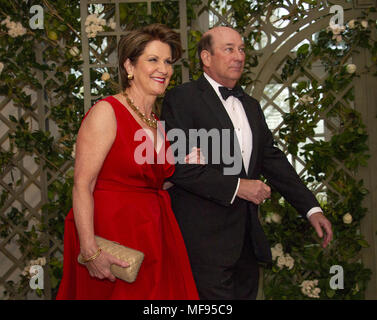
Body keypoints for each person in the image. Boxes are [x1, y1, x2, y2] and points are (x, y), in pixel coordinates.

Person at [160, 26, 333, 300]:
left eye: (241, 49)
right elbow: (179, 167)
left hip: (247, 244)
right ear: (206, 57)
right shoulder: (182, 98)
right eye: (229, 49)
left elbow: (273, 161)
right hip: (204, 244)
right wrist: (239, 186)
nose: (239, 56)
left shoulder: (251, 105)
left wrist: (311, 209)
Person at [56, 24, 199, 300]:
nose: (164, 69)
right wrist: (90, 252)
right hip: (113, 237)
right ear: (129, 66)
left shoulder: (157, 123)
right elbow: (82, 184)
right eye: (153, 60)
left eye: (168, 61)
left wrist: (187, 163)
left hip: (155, 235)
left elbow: (147, 181)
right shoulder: (107, 111)